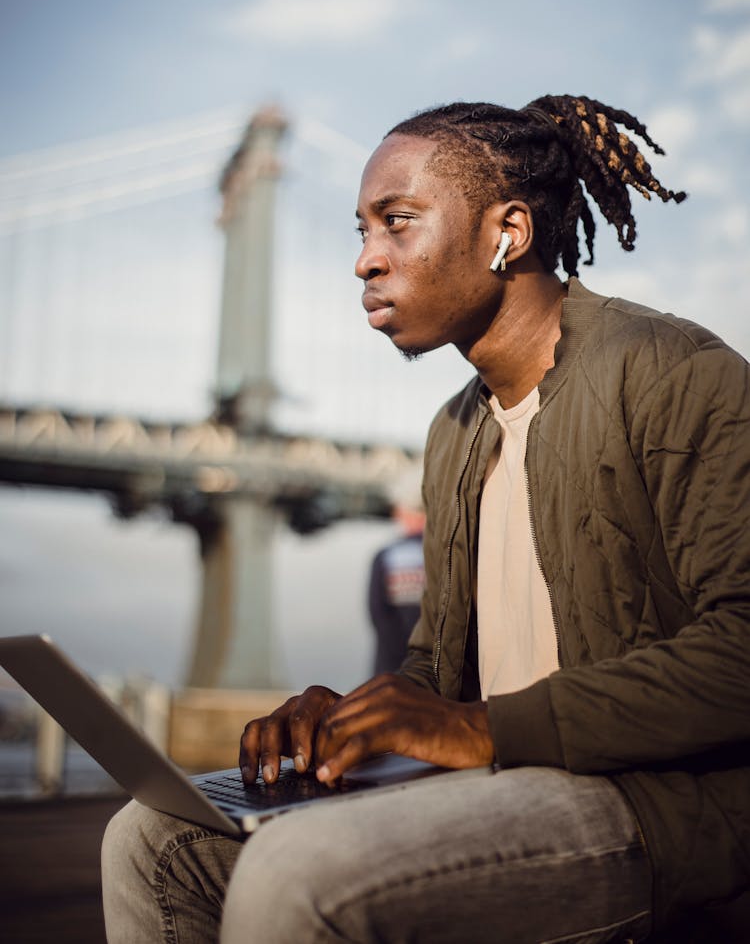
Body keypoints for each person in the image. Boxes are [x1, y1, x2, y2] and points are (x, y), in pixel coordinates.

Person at [102, 95, 750, 944]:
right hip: (497, 784)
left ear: (506, 231)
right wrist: (357, 715)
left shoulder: (675, 373)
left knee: (301, 872)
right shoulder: (454, 431)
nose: (366, 260)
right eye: (361, 231)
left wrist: (475, 726)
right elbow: (440, 670)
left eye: (396, 223)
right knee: (154, 840)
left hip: (657, 810)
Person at [368, 468, 426, 674]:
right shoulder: (446, 556)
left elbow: (378, 614)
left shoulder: (386, 556)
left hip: (390, 672)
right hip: (433, 672)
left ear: (402, 512)